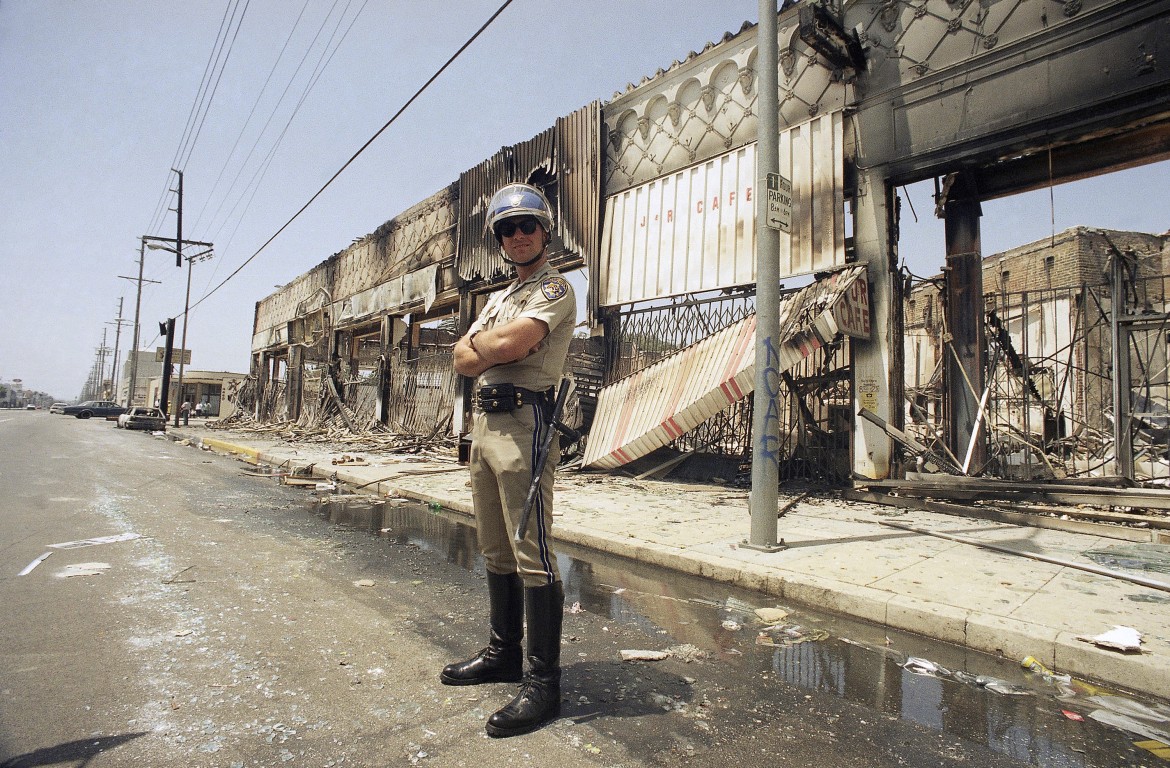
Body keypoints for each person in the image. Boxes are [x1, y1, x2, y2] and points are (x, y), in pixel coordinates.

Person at [442, 182, 576, 738]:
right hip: (485, 425)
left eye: (527, 226)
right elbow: (459, 356)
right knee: (493, 545)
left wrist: (485, 347)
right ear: (498, 239)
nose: (518, 236)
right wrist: (482, 347)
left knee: (531, 550)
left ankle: (545, 685)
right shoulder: (498, 298)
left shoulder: (557, 288)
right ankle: (504, 653)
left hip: (527, 423)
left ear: (545, 231)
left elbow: (502, 349)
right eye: (507, 229)